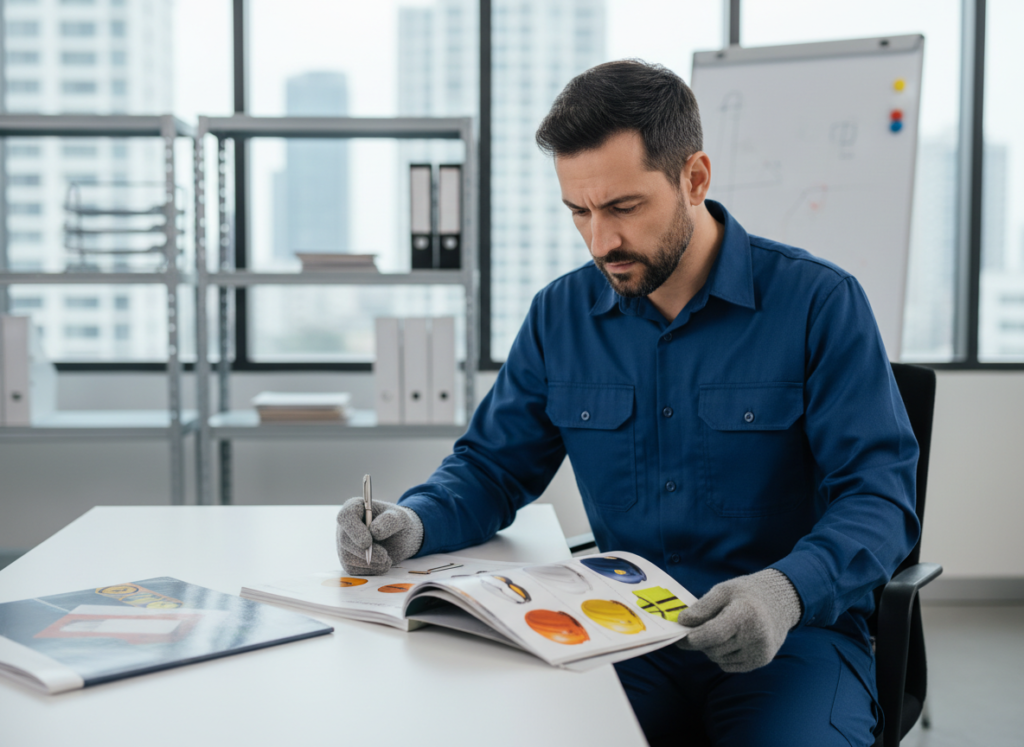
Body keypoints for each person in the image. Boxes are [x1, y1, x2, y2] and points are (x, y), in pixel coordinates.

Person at [337, 60, 919, 747]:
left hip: (792, 638)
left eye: (622, 207)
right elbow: (492, 466)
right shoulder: (560, 315)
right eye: (579, 211)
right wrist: (414, 520)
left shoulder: (820, 303)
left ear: (694, 178)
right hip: (624, 633)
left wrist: (785, 590)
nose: (600, 241)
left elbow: (879, 501)